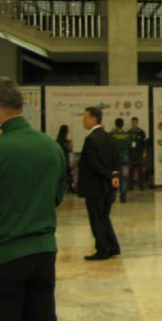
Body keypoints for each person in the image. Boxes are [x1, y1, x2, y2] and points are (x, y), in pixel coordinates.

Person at [0, 77, 70, 321]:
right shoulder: (50, 146)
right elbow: (57, 196)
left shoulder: (1, 148)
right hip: (43, 254)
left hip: (5, 257)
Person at [78, 106, 121, 261]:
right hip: (108, 186)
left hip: (95, 186)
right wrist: (114, 175)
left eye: (85, 118)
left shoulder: (91, 139)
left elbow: (93, 163)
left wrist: (108, 175)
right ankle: (113, 246)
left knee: (97, 219)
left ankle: (102, 250)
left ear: (93, 119)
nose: (83, 121)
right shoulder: (110, 138)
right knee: (104, 217)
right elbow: (117, 159)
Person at [109, 118, 132, 202]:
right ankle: (123, 196)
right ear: (122, 125)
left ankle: (113, 196)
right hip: (125, 157)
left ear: (115, 124)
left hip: (114, 158)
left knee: (114, 176)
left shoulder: (111, 134)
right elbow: (130, 145)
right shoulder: (127, 135)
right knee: (124, 178)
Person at [128, 116, 147, 191]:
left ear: (137, 122)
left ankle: (141, 185)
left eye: (135, 122)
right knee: (131, 170)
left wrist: (144, 153)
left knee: (140, 170)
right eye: (132, 122)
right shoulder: (129, 132)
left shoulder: (141, 132)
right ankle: (130, 185)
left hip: (139, 153)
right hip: (131, 154)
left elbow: (144, 143)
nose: (133, 124)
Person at [56, 124, 75, 192]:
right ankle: (70, 187)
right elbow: (69, 150)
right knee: (68, 174)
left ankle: (64, 187)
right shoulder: (65, 141)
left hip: (60, 160)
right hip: (65, 160)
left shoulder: (58, 140)